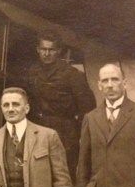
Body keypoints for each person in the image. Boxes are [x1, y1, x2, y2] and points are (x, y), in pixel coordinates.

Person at [27, 30, 96, 179]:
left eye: (51, 50)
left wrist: (75, 133)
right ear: (37, 50)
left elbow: (88, 108)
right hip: (38, 129)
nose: (46, 53)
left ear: (58, 51)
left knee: (62, 177)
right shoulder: (32, 72)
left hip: (64, 133)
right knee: (38, 175)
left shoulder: (72, 74)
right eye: (43, 49)